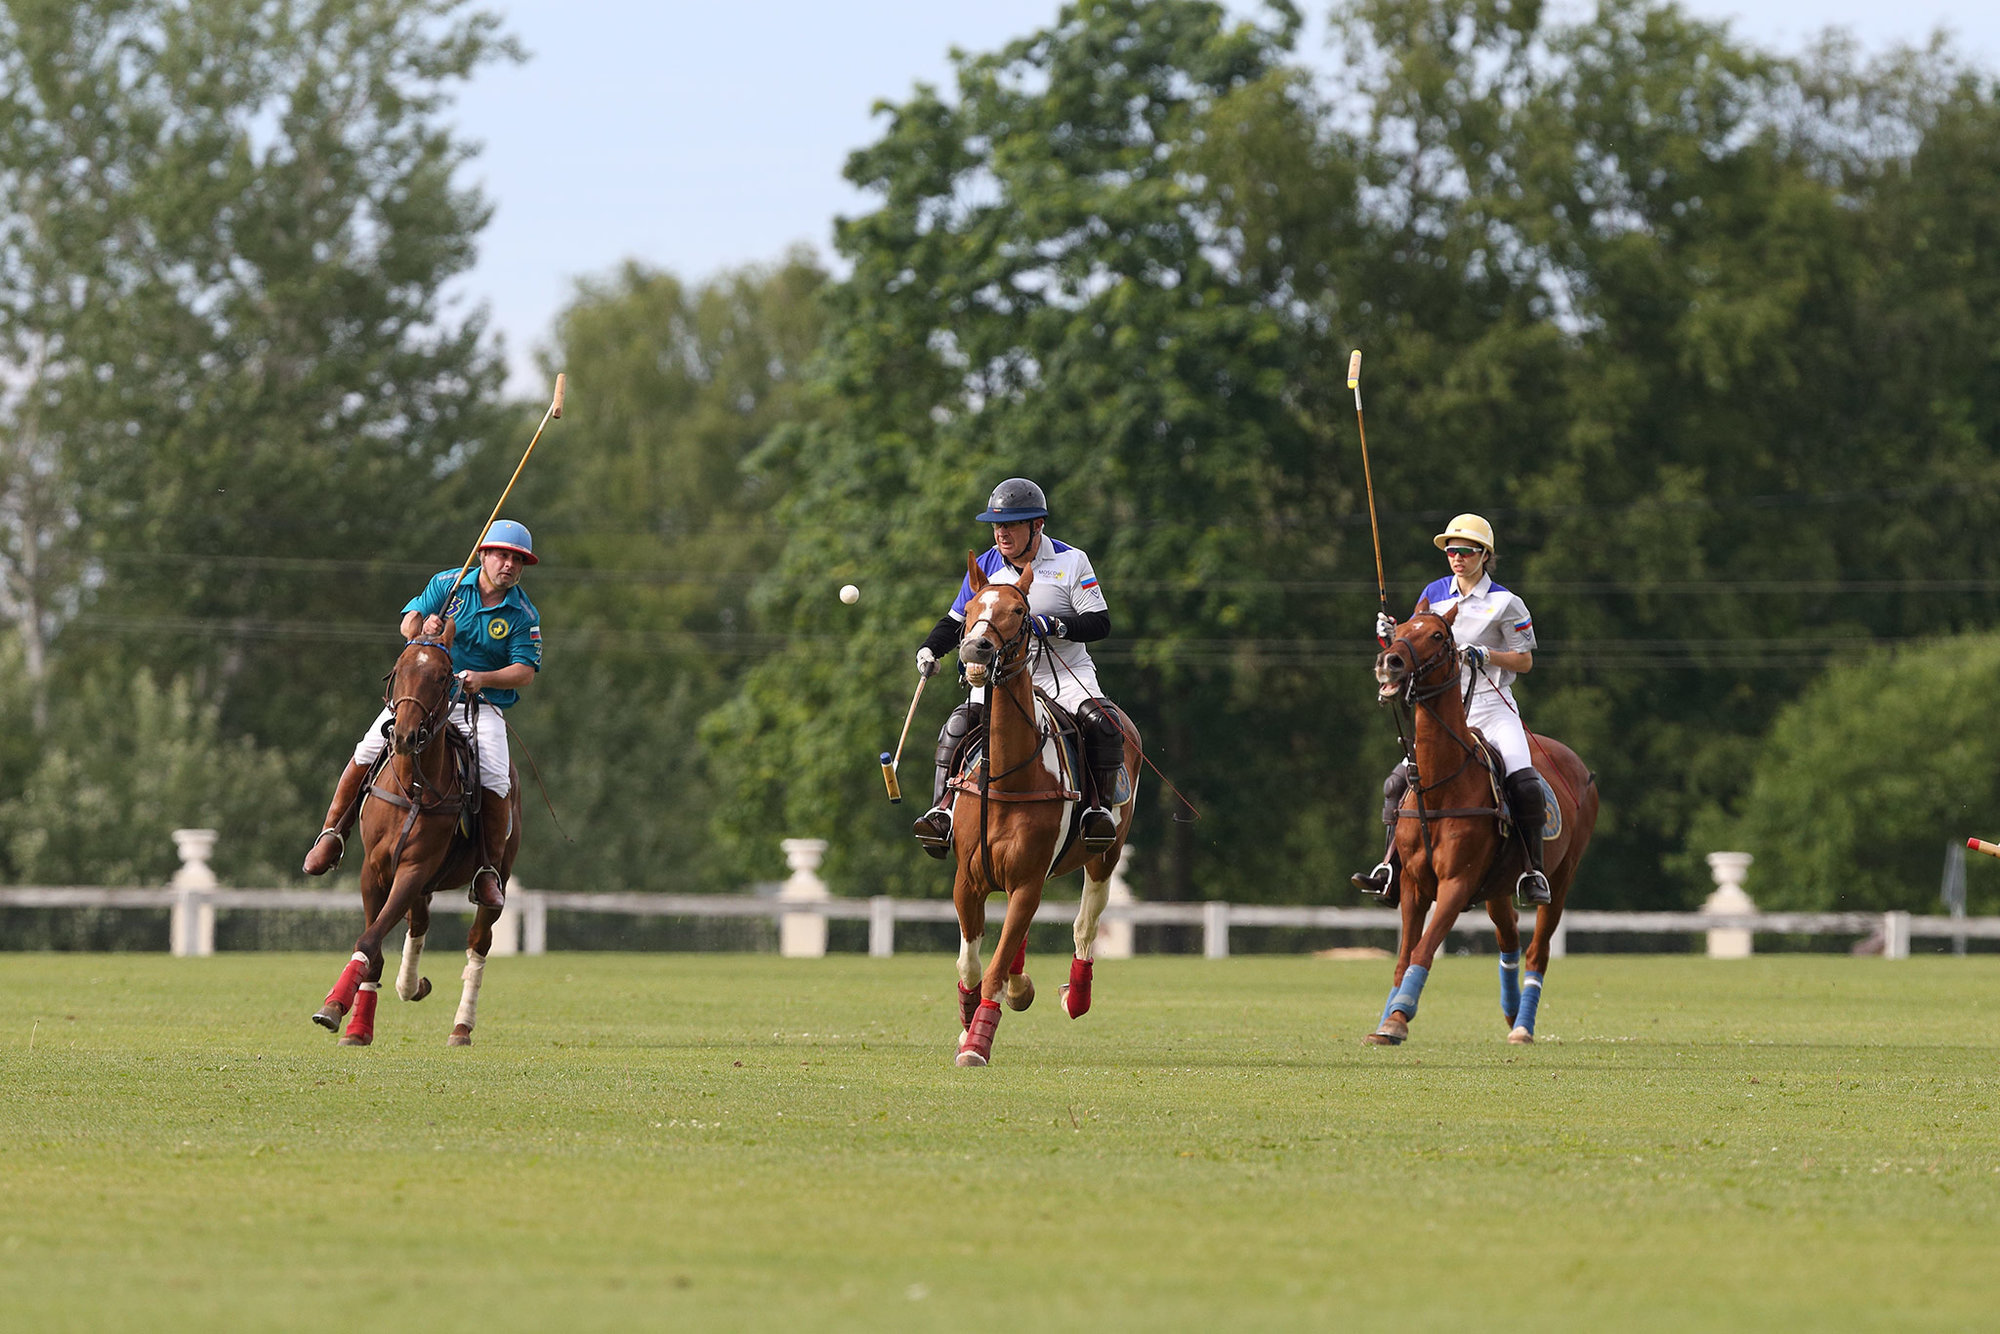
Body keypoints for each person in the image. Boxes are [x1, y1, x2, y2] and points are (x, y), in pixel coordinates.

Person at [301, 519, 544, 910]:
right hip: (423, 697)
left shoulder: (522, 614)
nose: (509, 565)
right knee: (368, 749)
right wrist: (423, 625)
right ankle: (332, 834)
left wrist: (482, 678)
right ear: (483, 554)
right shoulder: (449, 584)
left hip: (477, 707)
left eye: (517, 560)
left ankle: (486, 870)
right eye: (501, 554)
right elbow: (407, 624)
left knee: (498, 776)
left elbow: (525, 672)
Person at [910, 477, 1126, 858]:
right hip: (1003, 679)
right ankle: (941, 812)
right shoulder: (985, 565)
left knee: (1104, 726)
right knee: (957, 726)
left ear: (1037, 525)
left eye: (1010, 525)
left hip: (1064, 675)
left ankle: (1097, 811)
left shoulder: (1071, 561)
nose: (1001, 534)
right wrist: (930, 649)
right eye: (997, 526)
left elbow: (1100, 623)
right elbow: (955, 620)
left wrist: (1055, 625)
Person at [1352, 513, 1551, 906]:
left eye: (1465, 551)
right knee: (1396, 784)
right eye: (1451, 551)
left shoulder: (1506, 603)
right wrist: (1389, 635)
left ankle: (1532, 871)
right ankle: (1390, 868)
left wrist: (1487, 654)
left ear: (1484, 555)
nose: (1456, 557)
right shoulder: (1433, 594)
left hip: (1492, 709)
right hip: (1443, 712)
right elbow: (1412, 645)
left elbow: (1525, 661)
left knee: (1525, 784)